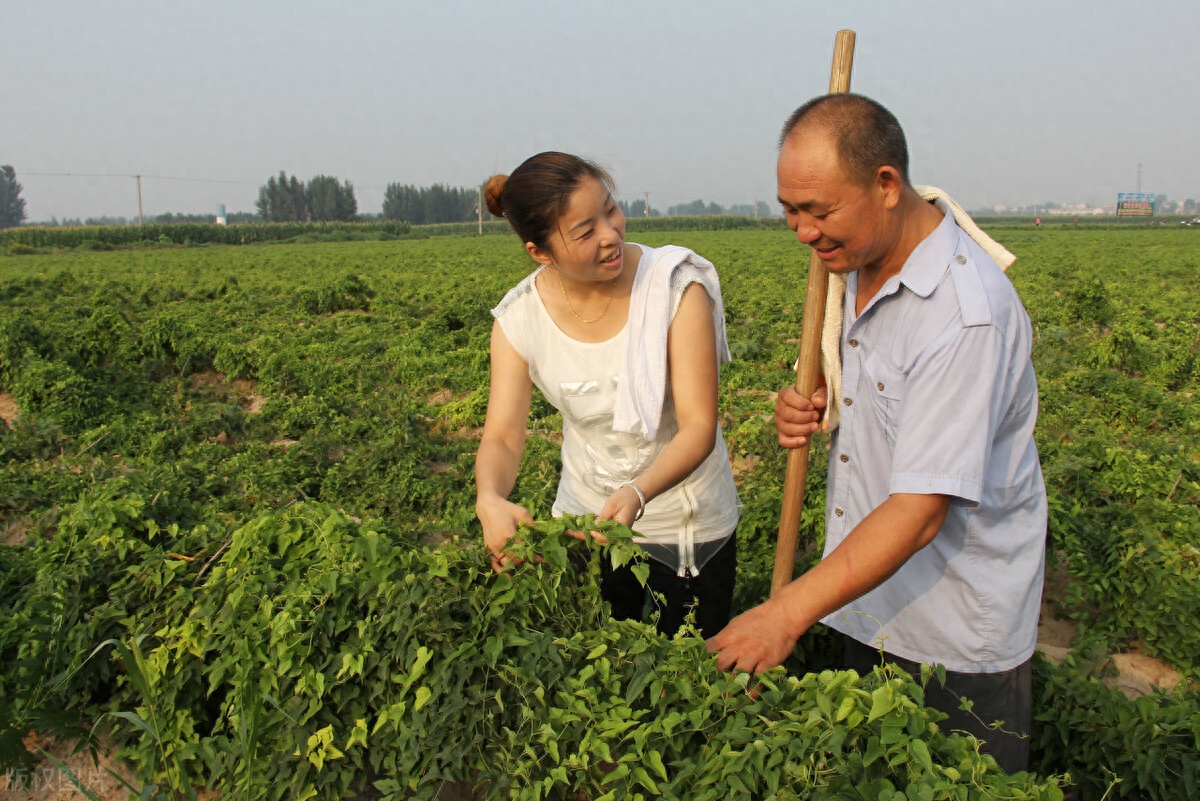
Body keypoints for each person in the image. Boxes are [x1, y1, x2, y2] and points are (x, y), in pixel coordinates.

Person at [706, 95, 1047, 774]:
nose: (802, 231)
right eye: (789, 210)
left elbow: (921, 513)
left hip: (953, 633)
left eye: (819, 211)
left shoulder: (960, 315)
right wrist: (822, 403)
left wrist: (784, 612)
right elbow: (880, 397)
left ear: (887, 185)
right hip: (866, 601)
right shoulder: (856, 263)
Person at [475, 151, 740, 638]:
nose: (610, 234)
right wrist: (489, 497)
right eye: (583, 231)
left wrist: (639, 492)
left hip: (685, 524)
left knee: (686, 683)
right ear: (540, 251)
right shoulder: (519, 319)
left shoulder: (676, 288)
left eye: (610, 209)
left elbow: (699, 425)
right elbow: (503, 438)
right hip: (585, 524)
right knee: (592, 664)